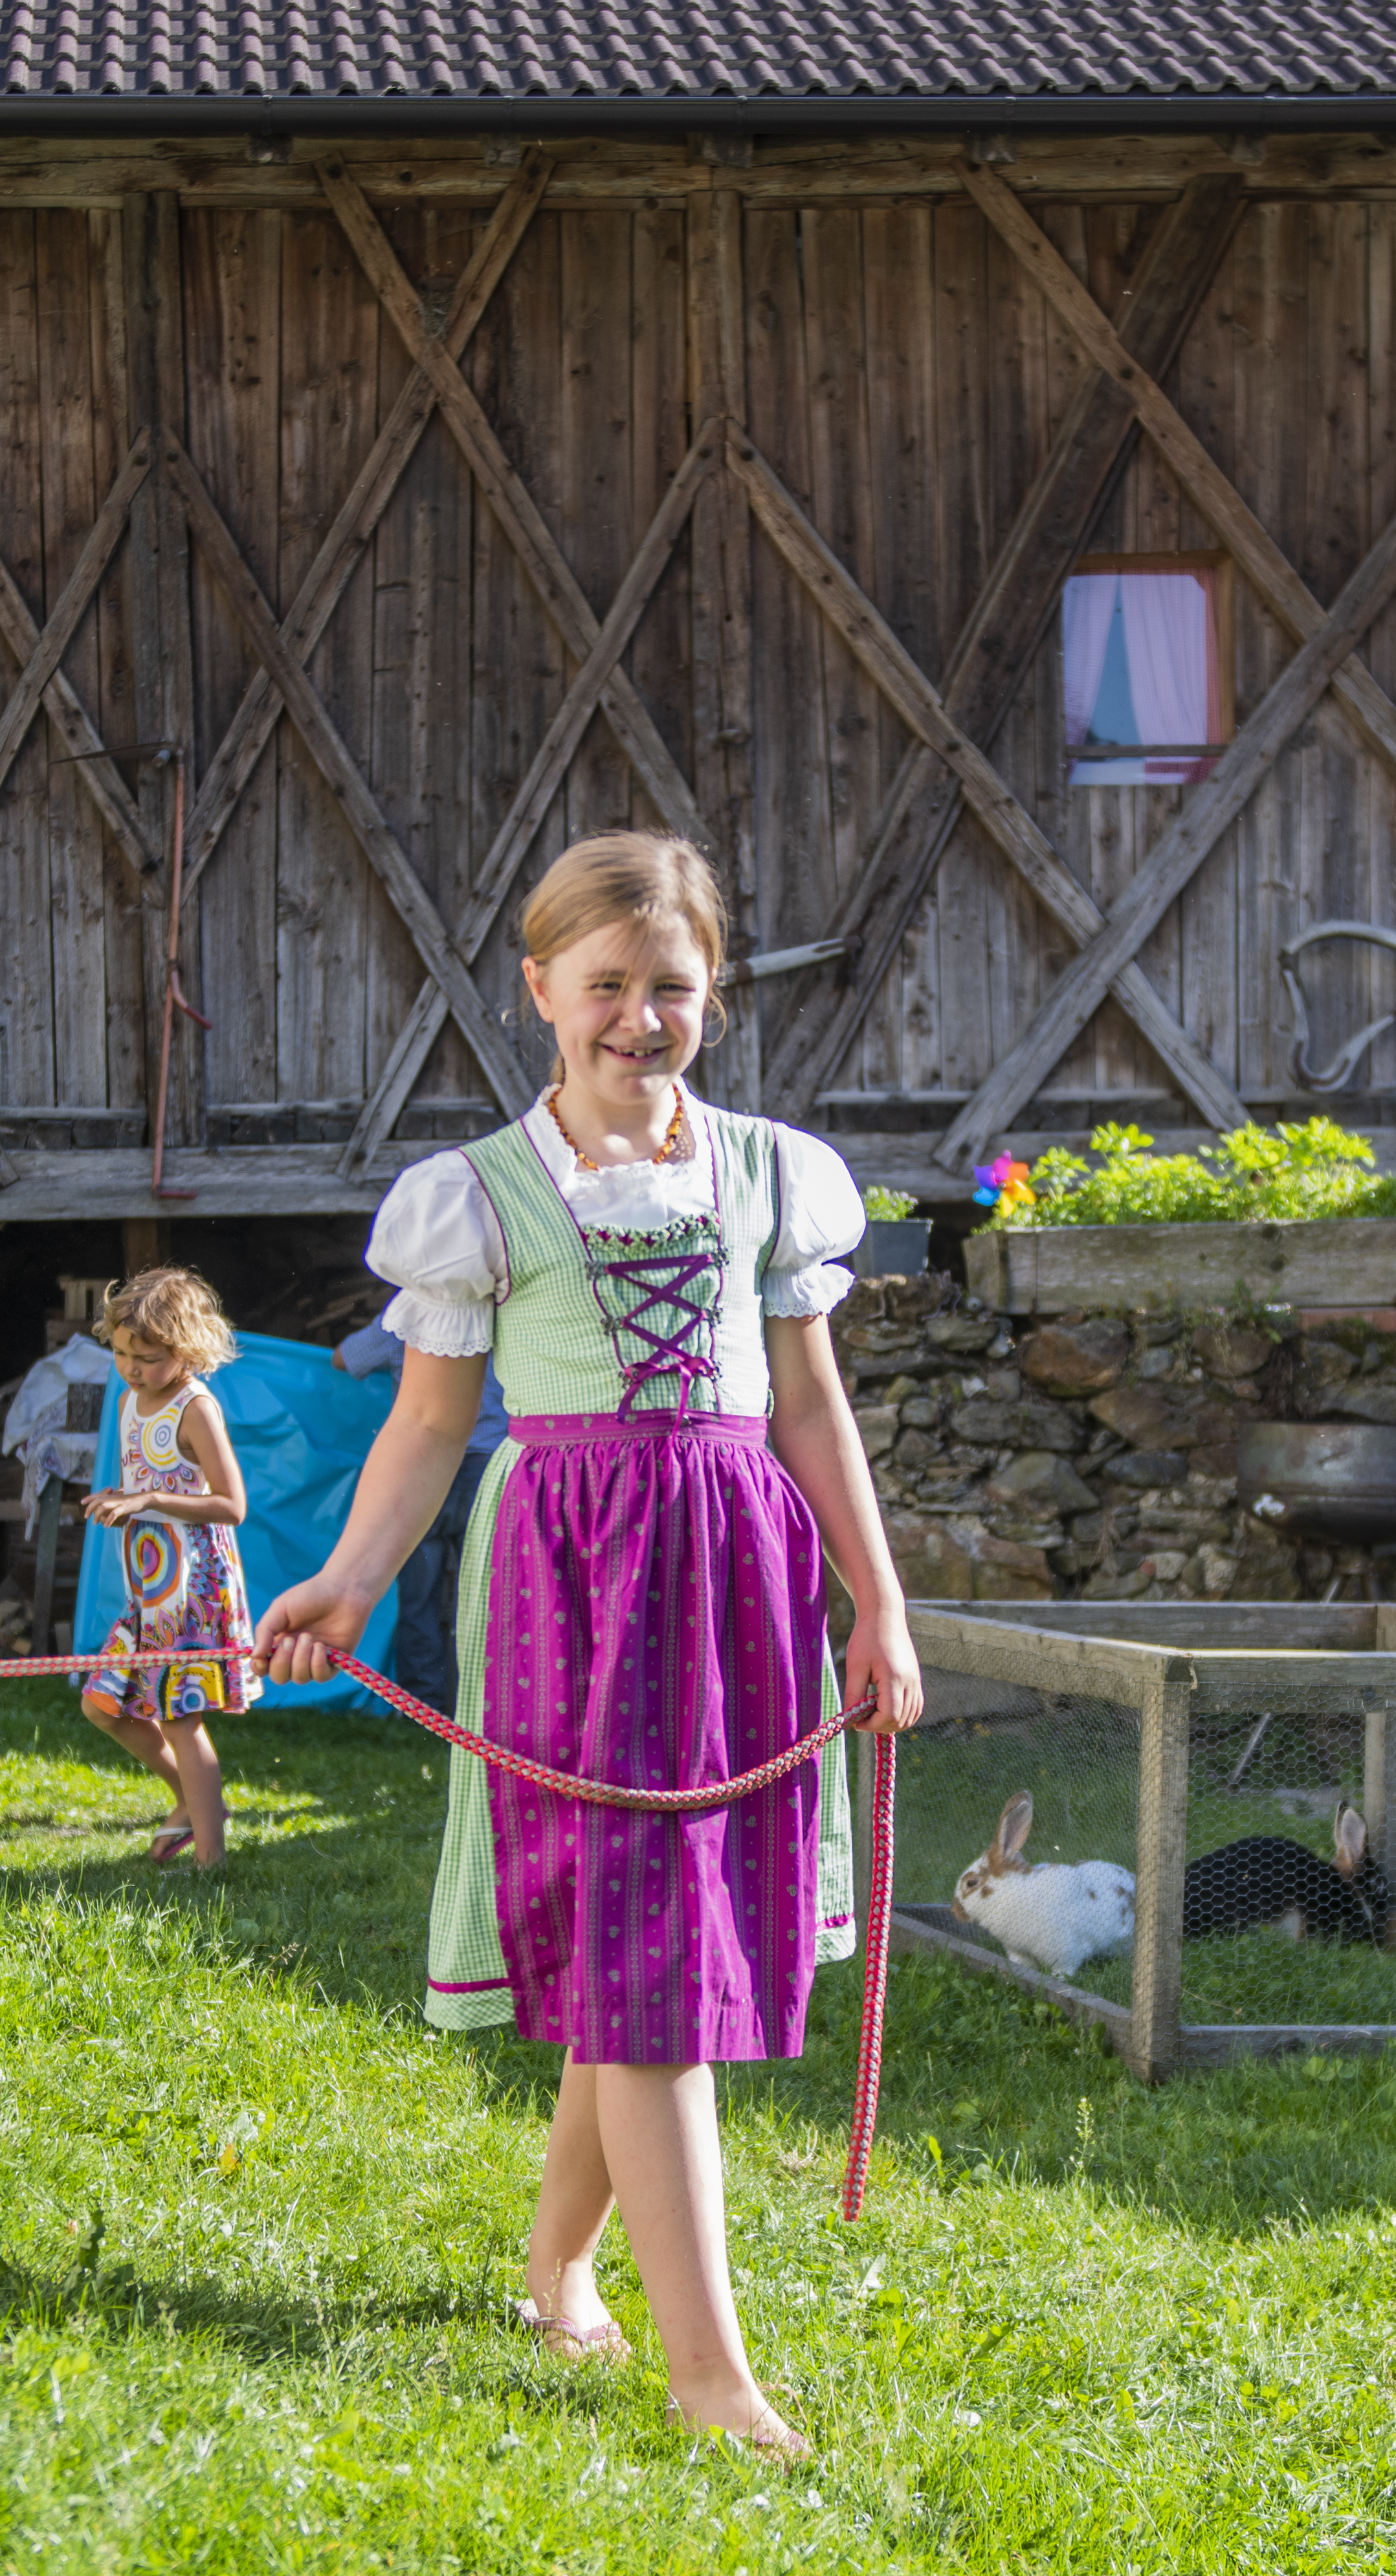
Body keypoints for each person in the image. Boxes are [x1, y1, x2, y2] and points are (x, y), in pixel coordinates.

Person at [255, 832, 922, 2468]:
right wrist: (347, 1578)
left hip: (738, 1577)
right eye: (606, 985)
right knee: (650, 1982)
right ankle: (710, 2372)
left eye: (670, 987)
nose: (639, 1016)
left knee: (662, 1956)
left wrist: (880, 1601)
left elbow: (814, 1408)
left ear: (713, 996)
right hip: (570, 1582)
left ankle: (557, 2266)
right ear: (542, 987)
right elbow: (429, 1424)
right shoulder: (478, 1197)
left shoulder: (770, 1175)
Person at [80, 1266, 258, 1870]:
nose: (131, 1367)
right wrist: (120, 1497)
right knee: (101, 1705)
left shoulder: (194, 1407)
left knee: (180, 1719)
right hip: (151, 1589)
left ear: (185, 1349)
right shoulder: (133, 1400)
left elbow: (231, 1504)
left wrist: (148, 1501)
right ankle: (191, 1797)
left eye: (148, 1356)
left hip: (194, 1589)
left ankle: (212, 1867)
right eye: (122, 1352)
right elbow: (150, 1480)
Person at [329, 1321, 505, 1717]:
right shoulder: (499, 1316)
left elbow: (341, 1359)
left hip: (425, 1471)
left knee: (419, 1595)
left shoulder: (407, 1320)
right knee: (485, 1597)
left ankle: (423, 1708)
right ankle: (481, 1707)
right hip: (491, 1468)